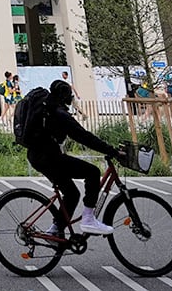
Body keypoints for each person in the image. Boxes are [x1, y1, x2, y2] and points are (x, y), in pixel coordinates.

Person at [25, 79, 125, 236]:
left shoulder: (48, 108)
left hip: (38, 156)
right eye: (69, 97)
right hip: (49, 157)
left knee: (72, 193)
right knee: (92, 172)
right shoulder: (59, 113)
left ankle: (55, 230)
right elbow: (84, 137)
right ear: (65, 97)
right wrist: (112, 151)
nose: (71, 100)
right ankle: (88, 220)